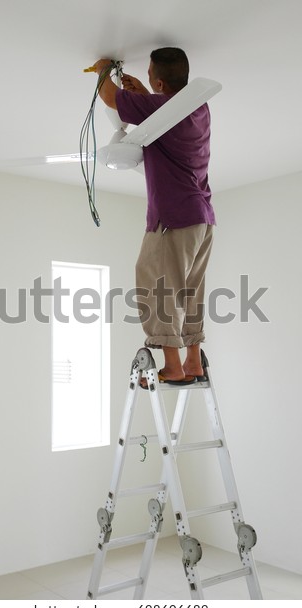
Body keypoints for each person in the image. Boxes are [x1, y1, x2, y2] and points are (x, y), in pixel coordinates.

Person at [93, 48, 215, 385]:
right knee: (190, 290)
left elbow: (110, 97)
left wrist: (104, 69)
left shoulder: (161, 108)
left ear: (159, 80)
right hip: (202, 219)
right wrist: (147, 97)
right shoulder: (198, 108)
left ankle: (173, 365)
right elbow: (163, 118)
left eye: (149, 74)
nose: (146, 77)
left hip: (173, 218)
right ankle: (193, 361)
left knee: (156, 286)